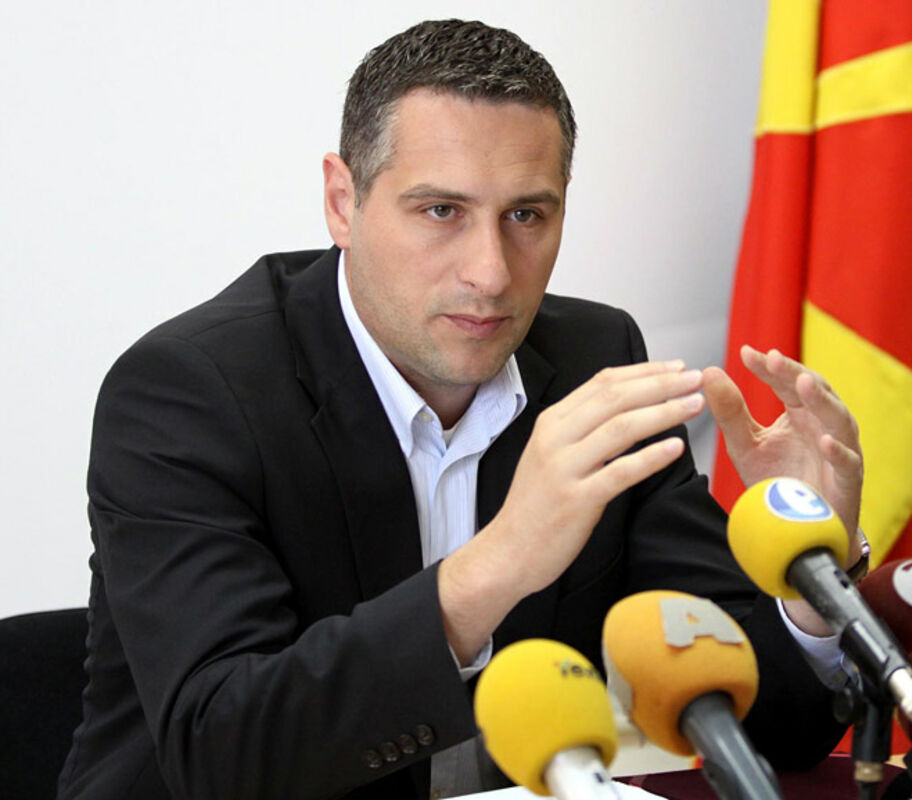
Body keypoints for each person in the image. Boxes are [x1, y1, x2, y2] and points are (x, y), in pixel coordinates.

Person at [59, 19, 869, 800]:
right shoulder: (188, 393)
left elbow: (765, 725)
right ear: (342, 202)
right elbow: (222, 753)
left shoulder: (595, 362)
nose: (490, 272)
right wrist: (502, 560)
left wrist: (808, 576)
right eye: (441, 211)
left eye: (526, 215)